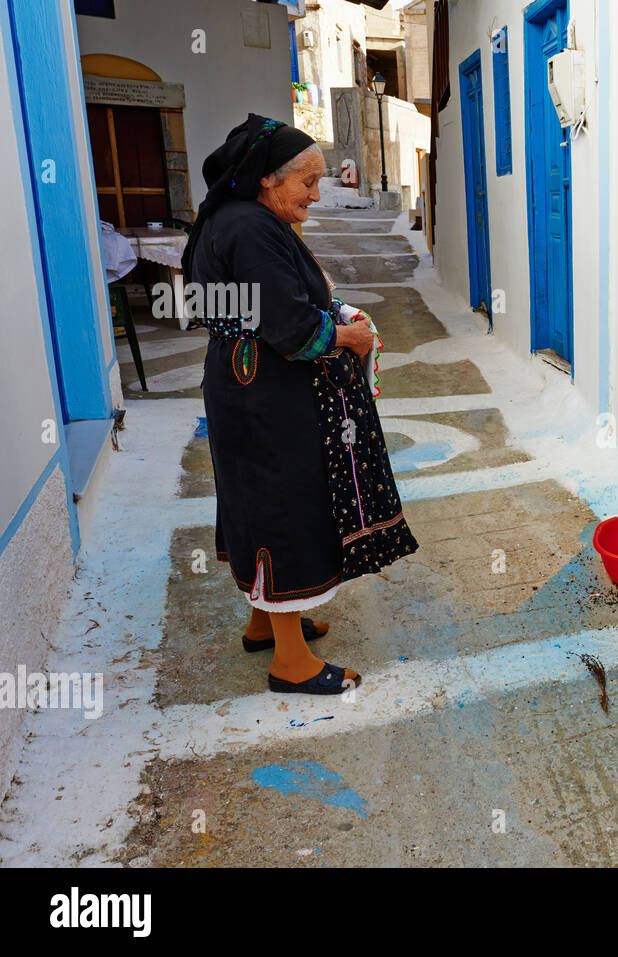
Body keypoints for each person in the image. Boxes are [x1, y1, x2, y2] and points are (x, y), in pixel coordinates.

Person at [182, 113, 418, 694]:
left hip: (242, 381)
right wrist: (347, 335)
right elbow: (287, 324)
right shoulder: (252, 229)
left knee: (254, 496)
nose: (317, 193)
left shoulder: (229, 219)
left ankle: (267, 620)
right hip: (267, 390)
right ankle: (291, 661)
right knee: (283, 504)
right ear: (267, 179)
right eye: (307, 182)